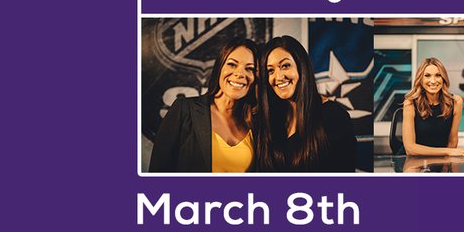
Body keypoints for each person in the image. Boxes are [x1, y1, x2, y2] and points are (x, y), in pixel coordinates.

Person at [150, 37, 259, 172]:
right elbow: (158, 173)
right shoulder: (184, 109)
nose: (240, 74)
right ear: (220, 68)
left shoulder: (257, 124)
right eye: (232, 64)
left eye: (250, 69)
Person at [253, 35, 356, 172]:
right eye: (270, 70)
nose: (278, 77)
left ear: (301, 67)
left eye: (285, 66)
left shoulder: (333, 116)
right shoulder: (269, 118)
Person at [401, 58, 464, 157]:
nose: (433, 81)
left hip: (441, 160)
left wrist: (445, 167)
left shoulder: (456, 102)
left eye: (438, 75)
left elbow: (452, 141)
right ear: (420, 79)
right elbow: (410, 148)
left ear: (443, 78)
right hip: (413, 162)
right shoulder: (409, 104)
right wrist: (447, 151)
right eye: (427, 76)